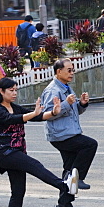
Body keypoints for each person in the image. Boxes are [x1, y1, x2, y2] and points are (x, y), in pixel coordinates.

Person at [0, 77, 82, 207]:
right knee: (35, 165)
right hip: (5, 152)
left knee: (18, 191)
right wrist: (33, 113)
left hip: (16, 152)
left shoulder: (14, 107)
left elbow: (37, 117)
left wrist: (53, 112)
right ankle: (64, 185)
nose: (14, 93)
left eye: (16, 90)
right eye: (11, 90)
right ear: (1, 91)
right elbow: (13, 119)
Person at [40, 58, 96, 195]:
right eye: (69, 70)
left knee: (69, 168)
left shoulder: (66, 87)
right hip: (60, 135)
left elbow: (72, 111)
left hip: (69, 132)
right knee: (89, 144)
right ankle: (79, 177)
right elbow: (47, 114)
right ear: (59, 72)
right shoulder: (52, 90)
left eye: (73, 70)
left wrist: (81, 104)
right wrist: (65, 104)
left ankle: (64, 205)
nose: (72, 73)